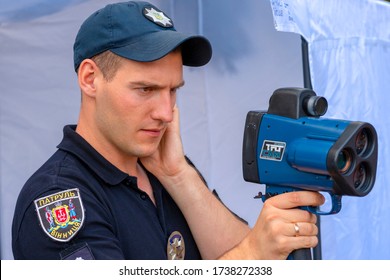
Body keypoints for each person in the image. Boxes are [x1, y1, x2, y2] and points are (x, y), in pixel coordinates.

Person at [12, 1, 324, 260]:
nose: (165, 113)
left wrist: (180, 177)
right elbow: (249, 255)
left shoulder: (166, 170)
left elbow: (240, 255)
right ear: (90, 79)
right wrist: (253, 255)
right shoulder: (58, 199)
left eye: (173, 90)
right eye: (145, 89)